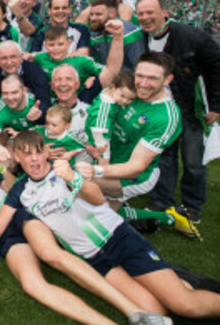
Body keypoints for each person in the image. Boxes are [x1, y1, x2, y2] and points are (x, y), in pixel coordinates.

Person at [0, 130, 220, 321]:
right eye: (26, 154)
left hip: (119, 239)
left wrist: (72, 178)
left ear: (46, 152)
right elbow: (1, 221)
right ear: (17, 156)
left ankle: (184, 287)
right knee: (155, 311)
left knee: (184, 305)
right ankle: (180, 280)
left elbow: (98, 198)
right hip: (96, 260)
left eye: (37, 152)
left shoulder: (63, 171)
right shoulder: (21, 191)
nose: (33, 159)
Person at [76, 52, 198, 238]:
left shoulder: (165, 117)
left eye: (152, 78)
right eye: (140, 75)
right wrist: (97, 147)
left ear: (168, 79)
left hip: (132, 177)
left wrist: (97, 170)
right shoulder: (130, 89)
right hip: (107, 162)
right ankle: (168, 218)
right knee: (99, 216)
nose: (142, 83)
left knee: (83, 210)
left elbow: (136, 167)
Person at [137, 0, 220, 223]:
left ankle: (193, 207)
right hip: (161, 110)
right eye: (141, 14)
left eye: (149, 12)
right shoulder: (140, 38)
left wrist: (215, 105)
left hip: (190, 109)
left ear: (165, 11)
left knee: (193, 160)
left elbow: (216, 67)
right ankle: (162, 201)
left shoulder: (192, 37)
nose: (145, 18)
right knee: (164, 156)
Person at [0, 41, 50, 117]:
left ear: (21, 57)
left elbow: (44, 99)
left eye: (13, 57)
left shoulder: (34, 72)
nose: (9, 62)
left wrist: (39, 111)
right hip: (9, 117)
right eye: (4, 58)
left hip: (31, 117)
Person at [84, 0, 144, 70]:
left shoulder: (131, 35)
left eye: (98, 14)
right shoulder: (95, 34)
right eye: (91, 14)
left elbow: (140, 68)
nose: (93, 18)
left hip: (127, 79)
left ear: (112, 14)